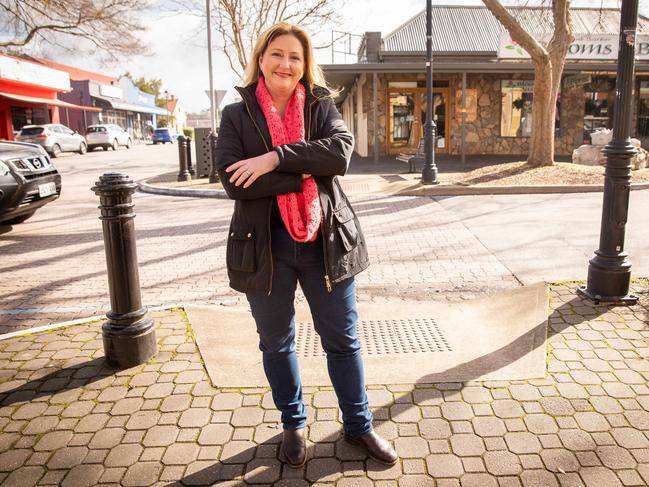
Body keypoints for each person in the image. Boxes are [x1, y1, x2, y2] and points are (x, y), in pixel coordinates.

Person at [214, 22, 398, 468]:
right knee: (276, 343)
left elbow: (339, 154)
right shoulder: (237, 115)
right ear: (261, 58)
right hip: (264, 248)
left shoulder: (320, 103)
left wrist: (272, 159)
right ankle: (293, 422)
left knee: (343, 341)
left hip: (326, 244)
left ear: (304, 64)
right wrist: (305, 168)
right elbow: (234, 182)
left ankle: (358, 425)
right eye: (277, 54)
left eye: (295, 57)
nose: (285, 64)